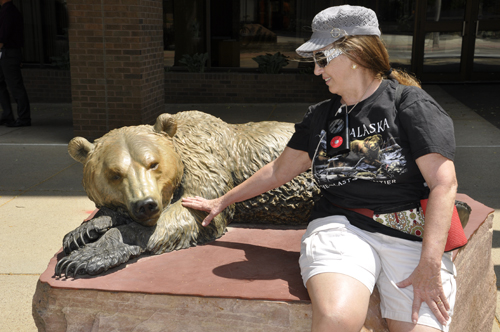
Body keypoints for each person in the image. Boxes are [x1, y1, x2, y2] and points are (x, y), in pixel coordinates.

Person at [182, 5, 457, 332]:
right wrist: (223, 200)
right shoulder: (320, 116)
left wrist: (429, 263)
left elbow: (443, 183)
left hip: (406, 230)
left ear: (354, 53)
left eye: (322, 60)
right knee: (337, 320)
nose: (316, 71)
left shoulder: (410, 104)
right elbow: (278, 171)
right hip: (341, 226)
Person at [0, 0, 31, 127]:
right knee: (8, 85)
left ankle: (23, 118)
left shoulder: (8, 11)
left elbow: (4, 34)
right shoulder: (9, 10)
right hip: (8, 52)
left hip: (8, 52)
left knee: (15, 86)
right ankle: (9, 116)